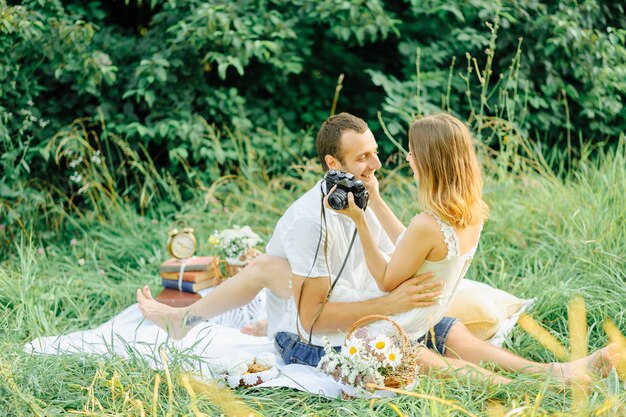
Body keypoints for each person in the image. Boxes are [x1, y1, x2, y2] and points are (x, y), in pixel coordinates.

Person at [137, 112, 614, 385]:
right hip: (316, 338)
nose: (379, 162)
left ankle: (553, 371)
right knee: (418, 350)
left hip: (384, 315)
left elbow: (401, 247)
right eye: (364, 157)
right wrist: (391, 303)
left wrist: (373, 209)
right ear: (333, 163)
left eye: (378, 152)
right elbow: (315, 322)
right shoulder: (311, 220)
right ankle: (520, 389)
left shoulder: (372, 200)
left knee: (455, 333)